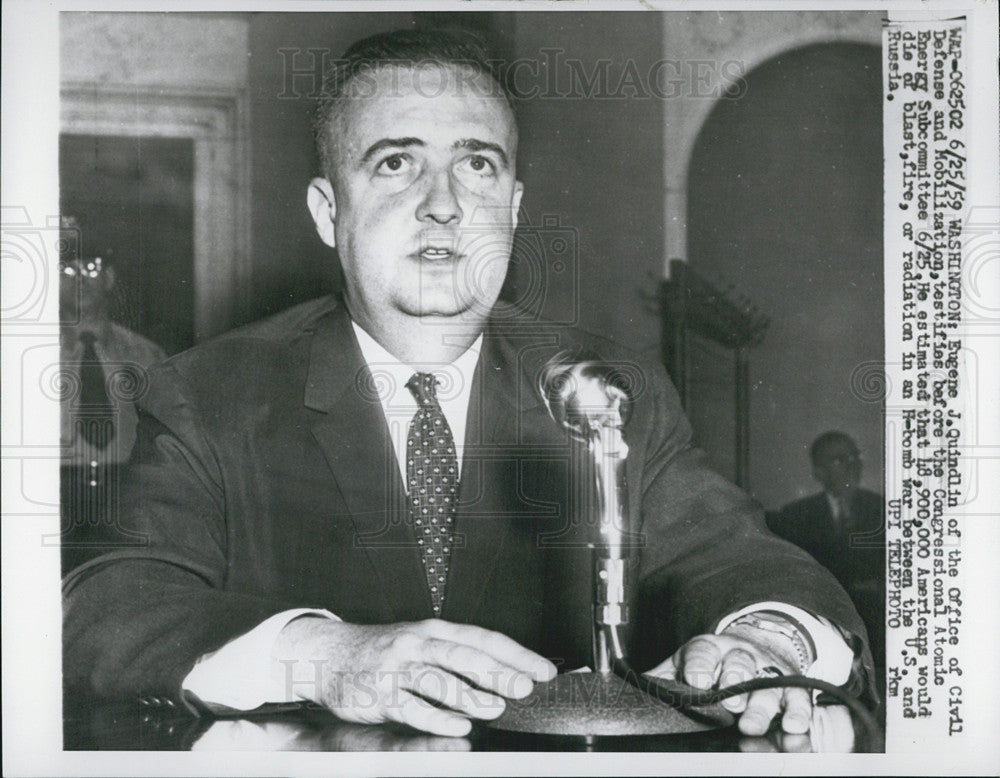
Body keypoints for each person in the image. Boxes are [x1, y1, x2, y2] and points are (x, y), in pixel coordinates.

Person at [63, 29, 875, 740]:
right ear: (326, 212)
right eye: (395, 164)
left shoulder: (603, 389)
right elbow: (107, 604)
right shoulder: (209, 394)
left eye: (476, 165)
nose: (443, 205)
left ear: (513, 208)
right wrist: (320, 658)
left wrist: (768, 640)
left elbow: (741, 558)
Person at [58, 219, 167, 574]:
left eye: (91, 268)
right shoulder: (32, 357)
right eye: (67, 269)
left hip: (126, 497)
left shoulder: (146, 356)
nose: (79, 279)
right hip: (55, 500)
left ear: (109, 279)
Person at [769, 431, 885, 671]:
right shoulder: (796, 515)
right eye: (840, 460)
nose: (852, 466)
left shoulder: (882, 509)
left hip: (875, 624)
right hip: (823, 619)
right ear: (819, 472)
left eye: (855, 457)